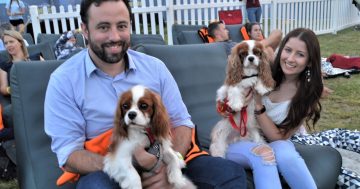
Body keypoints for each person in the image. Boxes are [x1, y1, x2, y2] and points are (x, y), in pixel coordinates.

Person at [44, 0, 247, 189]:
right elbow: (69, 154)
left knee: (230, 174)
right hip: (107, 165)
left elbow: (181, 123)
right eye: (103, 27)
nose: (114, 36)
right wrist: (127, 164)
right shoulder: (64, 80)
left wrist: (168, 166)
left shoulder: (154, 68)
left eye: (121, 26)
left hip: (165, 151)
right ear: (86, 30)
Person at [220, 28, 340, 188]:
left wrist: (258, 104)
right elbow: (276, 34)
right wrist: (254, 48)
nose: (290, 58)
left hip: (274, 140)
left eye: (300, 54)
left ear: (309, 61)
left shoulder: (308, 94)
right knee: (264, 155)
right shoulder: (264, 67)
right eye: (288, 50)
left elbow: (279, 137)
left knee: (284, 149)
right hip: (238, 139)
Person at [0, 30, 42, 141]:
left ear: (20, 42)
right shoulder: (5, 65)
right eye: (6, 43)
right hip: (20, 98)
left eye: (11, 42)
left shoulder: (36, 58)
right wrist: (15, 89)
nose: (8, 45)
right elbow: (3, 89)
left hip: (38, 95)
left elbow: (48, 76)